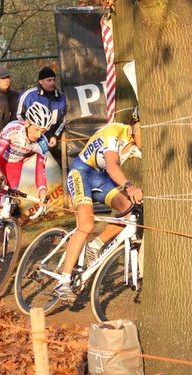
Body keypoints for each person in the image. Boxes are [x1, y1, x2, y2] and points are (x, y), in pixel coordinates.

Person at [53, 107, 143, 302]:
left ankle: (96, 245)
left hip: (100, 178)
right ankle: (63, 281)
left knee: (130, 211)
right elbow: (111, 166)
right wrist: (129, 186)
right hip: (82, 173)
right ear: (134, 124)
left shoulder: (134, 142)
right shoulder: (115, 132)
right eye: (144, 128)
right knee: (86, 225)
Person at [0, 102, 53, 238]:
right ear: (27, 123)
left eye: (43, 131)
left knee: (4, 213)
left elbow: (40, 171)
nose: (39, 135)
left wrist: (42, 192)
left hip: (14, 167)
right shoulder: (13, 129)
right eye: (37, 129)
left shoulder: (42, 143)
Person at [16, 66, 66, 148]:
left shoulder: (62, 98)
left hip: (49, 141)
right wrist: (28, 134)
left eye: (54, 80)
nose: (52, 83)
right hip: (29, 141)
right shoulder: (28, 95)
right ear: (40, 81)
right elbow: (18, 116)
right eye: (49, 80)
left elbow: (63, 120)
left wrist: (55, 136)